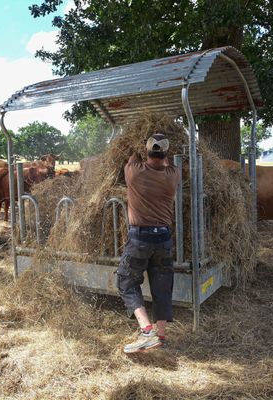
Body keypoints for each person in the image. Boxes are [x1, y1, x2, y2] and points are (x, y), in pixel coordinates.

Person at [118, 132, 180, 353]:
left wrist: (139, 147)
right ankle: (160, 336)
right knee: (162, 285)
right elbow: (168, 163)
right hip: (164, 237)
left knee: (126, 280)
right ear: (166, 153)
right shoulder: (174, 175)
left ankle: (147, 331)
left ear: (146, 151)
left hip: (140, 237)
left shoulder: (133, 172)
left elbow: (131, 156)